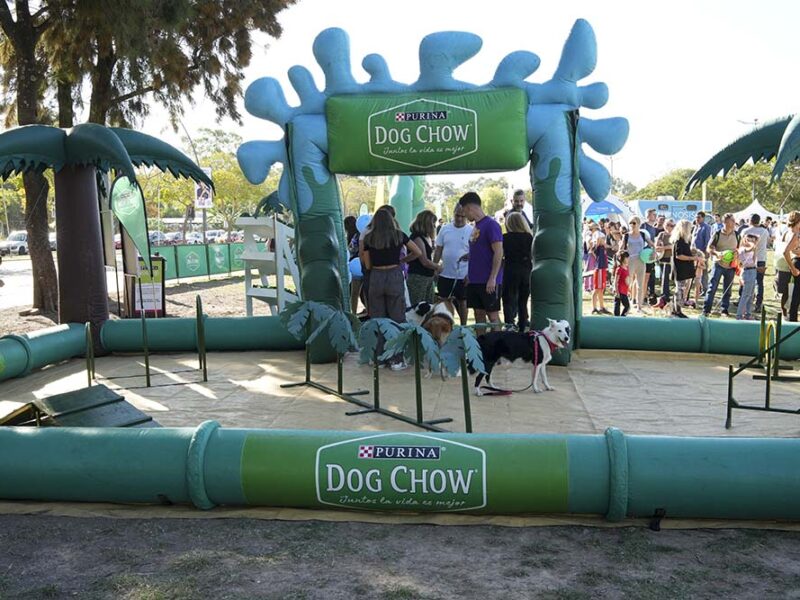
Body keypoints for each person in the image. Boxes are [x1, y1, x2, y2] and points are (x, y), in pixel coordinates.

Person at [361, 208, 422, 369]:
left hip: (376, 276)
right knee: (397, 318)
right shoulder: (399, 235)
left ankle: (379, 358)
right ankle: (396, 359)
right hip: (395, 275)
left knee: (378, 318)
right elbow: (418, 251)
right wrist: (403, 260)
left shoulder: (368, 238)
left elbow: (367, 264)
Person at [459, 191, 504, 327]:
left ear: (469, 208)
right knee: (478, 314)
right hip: (475, 280)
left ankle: (498, 345)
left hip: (488, 280)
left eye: (464, 212)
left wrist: (493, 277)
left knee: (492, 315)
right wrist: (470, 274)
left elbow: (498, 252)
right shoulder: (476, 227)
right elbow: (478, 252)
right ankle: (481, 345)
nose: (465, 216)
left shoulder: (491, 225)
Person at [703, 213, 739, 317]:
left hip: (731, 266)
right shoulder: (717, 234)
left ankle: (724, 309)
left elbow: (739, 248)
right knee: (712, 287)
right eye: (732, 220)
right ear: (726, 222)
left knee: (728, 289)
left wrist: (737, 253)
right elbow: (708, 248)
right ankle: (706, 310)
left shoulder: (737, 235)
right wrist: (717, 253)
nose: (734, 222)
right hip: (718, 264)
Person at [502, 212, 533, 331]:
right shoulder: (529, 237)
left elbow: (502, 254)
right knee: (523, 301)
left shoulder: (506, 238)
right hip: (526, 270)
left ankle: (509, 324)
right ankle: (522, 325)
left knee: (508, 299)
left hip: (511, 270)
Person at [407, 210, 441, 305]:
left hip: (427, 277)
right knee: (417, 305)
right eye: (433, 224)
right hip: (418, 277)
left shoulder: (426, 237)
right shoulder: (417, 238)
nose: (434, 226)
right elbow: (424, 261)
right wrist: (437, 266)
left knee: (428, 305)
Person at [620, 216, 654, 314]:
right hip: (630, 261)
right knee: (627, 282)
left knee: (640, 284)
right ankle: (627, 304)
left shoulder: (643, 235)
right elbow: (621, 248)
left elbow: (652, 245)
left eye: (634, 223)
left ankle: (639, 306)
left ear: (639, 224)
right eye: (631, 223)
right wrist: (620, 252)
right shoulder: (626, 235)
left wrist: (654, 252)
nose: (632, 225)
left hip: (641, 260)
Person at [739, 214, 769, 313]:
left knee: (744, 279)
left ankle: (742, 299)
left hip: (748, 259)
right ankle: (758, 303)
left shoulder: (745, 231)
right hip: (761, 258)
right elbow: (768, 242)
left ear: (750, 221)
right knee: (759, 283)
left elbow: (741, 244)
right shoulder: (764, 231)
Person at [670, 219, 699, 319]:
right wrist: (693, 258)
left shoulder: (684, 240)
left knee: (681, 289)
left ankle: (675, 309)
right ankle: (677, 310)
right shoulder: (679, 241)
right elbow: (679, 255)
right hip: (680, 269)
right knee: (680, 289)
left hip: (684, 268)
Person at [775, 211, 800, 320]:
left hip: (792, 261)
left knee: (795, 292)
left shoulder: (787, 232)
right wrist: (793, 268)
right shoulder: (795, 234)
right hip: (797, 262)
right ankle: (793, 317)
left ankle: (791, 316)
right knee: (797, 293)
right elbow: (786, 251)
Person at [736, 234, 758, 320]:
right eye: (748, 240)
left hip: (753, 271)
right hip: (747, 271)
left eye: (752, 240)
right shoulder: (742, 249)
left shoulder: (752, 248)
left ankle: (748, 314)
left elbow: (754, 259)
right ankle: (739, 315)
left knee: (751, 295)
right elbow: (750, 249)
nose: (750, 242)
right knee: (745, 295)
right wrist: (753, 245)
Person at [642, 209, 660, 305]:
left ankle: (645, 296)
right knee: (642, 277)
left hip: (650, 255)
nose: (655, 216)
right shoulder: (643, 226)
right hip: (642, 254)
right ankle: (640, 297)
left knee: (647, 277)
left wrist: (654, 251)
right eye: (654, 214)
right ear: (648, 215)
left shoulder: (653, 228)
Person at [691, 211, 712, 295]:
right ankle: (697, 288)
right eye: (696, 217)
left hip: (702, 253)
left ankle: (705, 289)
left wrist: (706, 254)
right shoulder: (696, 227)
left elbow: (707, 241)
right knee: (695, 271)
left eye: (699, 217)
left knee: (703, 271)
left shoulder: (706, 228)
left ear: (703, 218)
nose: (697, 219)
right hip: (694, 253)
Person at [654, 219, 674, 308]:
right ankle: (664, 296)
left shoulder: (675, 235)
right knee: (664, 277)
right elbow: (657, 247)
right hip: (663, 259)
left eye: (672, 225)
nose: (670, 227)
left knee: (671, 278)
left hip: (672, 259)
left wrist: (664, 247)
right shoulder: (661, 234)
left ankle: (669, 295)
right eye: (668, 225)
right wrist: (666, 247)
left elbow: (673, 246)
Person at [613, 252, 631, 317]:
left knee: (627, 307)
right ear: (623, 259)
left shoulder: (627, 268)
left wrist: (629, 289)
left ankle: (622, 318)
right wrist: (617, 291)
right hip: (620, 291)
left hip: (624, 291)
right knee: (618, 306)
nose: (628, 259)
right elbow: (616, 281)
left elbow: (627, 280)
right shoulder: (619, 269)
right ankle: (617, 319)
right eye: (627, 258)